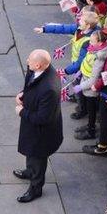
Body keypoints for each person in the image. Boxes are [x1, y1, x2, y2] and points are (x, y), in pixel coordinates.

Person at [14, 49, 63, 202]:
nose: (27, 62)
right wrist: (23, 94)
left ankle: (36, 188)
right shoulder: (37, 69)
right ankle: (30, 171)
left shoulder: (49, 88)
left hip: (42, 133)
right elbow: (30, 84)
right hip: (32, 126)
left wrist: (22, 112)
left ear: (39, 65)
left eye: (30, 61)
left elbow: (43, 118)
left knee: (37, 157)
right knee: (31, 153)